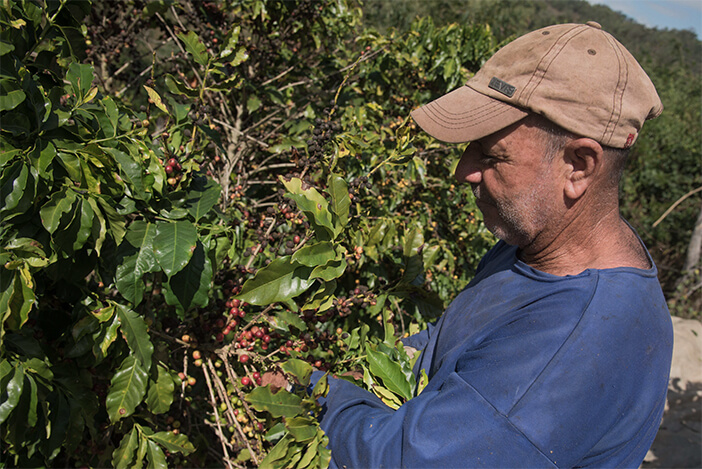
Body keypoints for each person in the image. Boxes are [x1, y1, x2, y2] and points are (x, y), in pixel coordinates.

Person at [312, 22, 674, 468]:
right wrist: (368, 369)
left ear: (578, 166)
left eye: (491, 153)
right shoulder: (534, 242)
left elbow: (401, 461)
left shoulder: (575, 341)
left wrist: (312, 390)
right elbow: (451, 343)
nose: (463, 171)